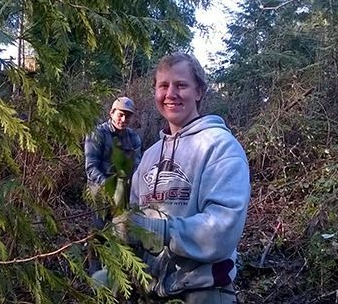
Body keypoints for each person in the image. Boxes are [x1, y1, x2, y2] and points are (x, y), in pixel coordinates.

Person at [118, 52, 250, 304]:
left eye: (181, 85)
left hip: (204, 293)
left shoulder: (220, 147)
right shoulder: (149, 156)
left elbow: (222, 229)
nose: (170, 94)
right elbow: (133, 215)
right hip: (151, 292)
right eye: (163, 86)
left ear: (199, 91)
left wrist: (156, 230)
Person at [84, 96, 142, 273]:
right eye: (120, 114)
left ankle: (118, 273)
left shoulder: (133, 137)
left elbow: (138, 166)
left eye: (128, 116)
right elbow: (91, 167)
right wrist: (108, 187)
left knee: (124, 231)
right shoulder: (97, 134)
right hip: (99, 188)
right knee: (98, 230)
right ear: (112, 113)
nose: (124, 120)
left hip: (124, 189)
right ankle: (94, 270)